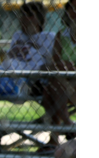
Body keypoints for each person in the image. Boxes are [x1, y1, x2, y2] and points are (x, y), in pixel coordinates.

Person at [41, 0, 76, 149]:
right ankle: (67, 125)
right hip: (63, 79)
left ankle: (55, 138)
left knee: (52, 89)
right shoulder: (62, 34)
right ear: (68, 12)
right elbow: (55, 64)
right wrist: (65, 66)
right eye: (73, 8)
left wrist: (72, 66)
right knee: (53, 86)